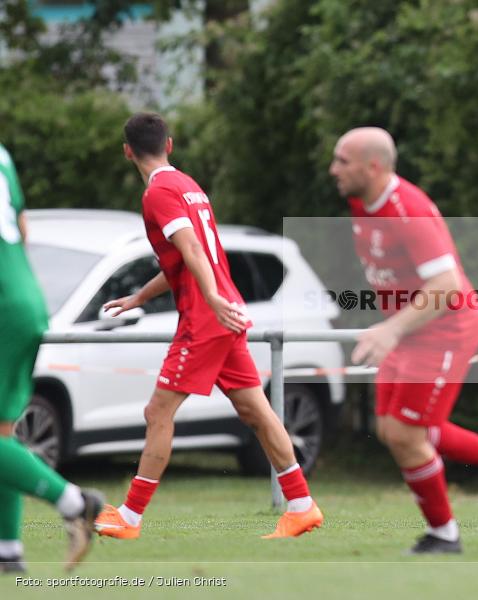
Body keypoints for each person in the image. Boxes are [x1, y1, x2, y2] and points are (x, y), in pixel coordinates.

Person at [93, 112, 322, 540]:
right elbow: (185, 258)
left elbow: (193, 248)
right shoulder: (189, 186)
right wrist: (141, 297)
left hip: (207, 317)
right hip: (223, 312)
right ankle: (301, 505)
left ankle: (129, 516)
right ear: (170, 144)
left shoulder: (158, 194)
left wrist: (212, 298)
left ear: (127, 151)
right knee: (256, 410)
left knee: (157, 412)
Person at [329, 127, 478, 554]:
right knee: (391, 428)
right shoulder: (361, 205)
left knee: (406, 433)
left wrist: (390, 328)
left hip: (445, 328)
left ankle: (445, 535)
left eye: (342, 161)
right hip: (411, 329)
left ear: (373, 166)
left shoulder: (409, 209)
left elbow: (446, 284)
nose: (333, 170)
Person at [0, 143, 104, 573]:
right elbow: (22, 227)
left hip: (3, 304)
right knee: (3, 435)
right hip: (22, 294)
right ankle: (7, 550)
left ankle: (76, 503)